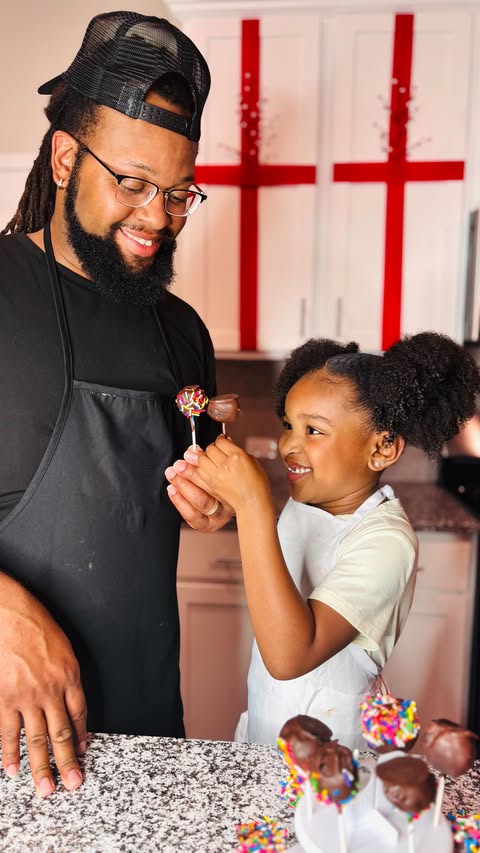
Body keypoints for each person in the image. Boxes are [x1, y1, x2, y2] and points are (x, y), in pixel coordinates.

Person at [0, 11, 233, 797]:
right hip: (11, 747)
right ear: (65, 157)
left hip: (144, 737)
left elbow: (192, 484)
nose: (156, 218)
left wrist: (215, 504)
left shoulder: (181, 332)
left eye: (178, 193)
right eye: (131, 183)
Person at [166, 333, 480, 749]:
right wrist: (234, 511)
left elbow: (290, 656)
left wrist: (255, 506)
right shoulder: (307, 505)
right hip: (267, 734)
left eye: (314, 430)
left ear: (382, 449)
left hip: (335, 759)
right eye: (288, 426)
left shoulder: (387, 541)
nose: (289, 445)